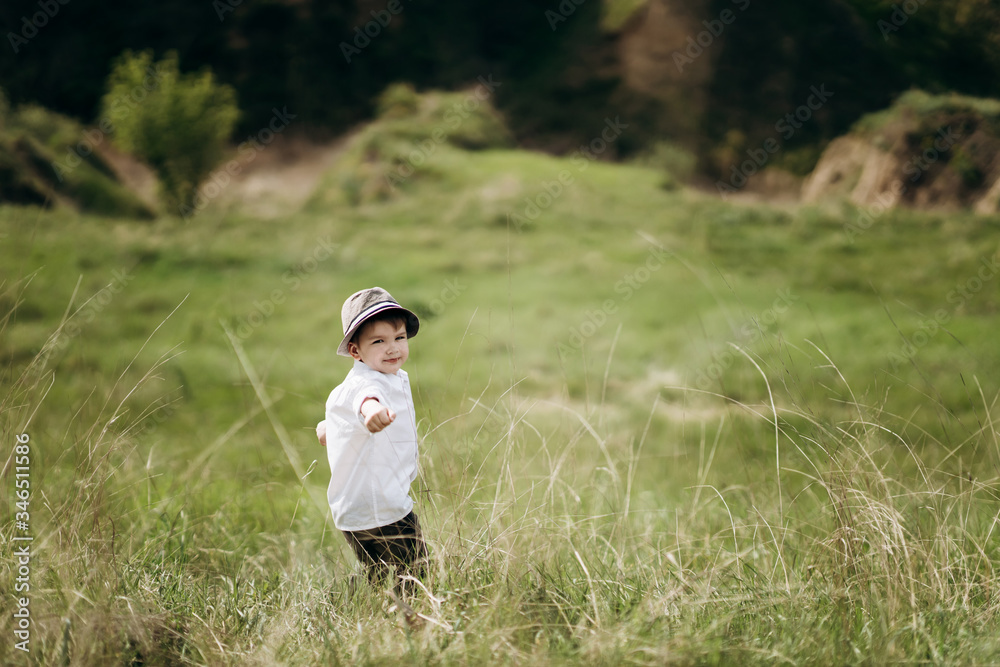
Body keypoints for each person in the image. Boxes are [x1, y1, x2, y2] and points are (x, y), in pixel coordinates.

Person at [315, 286, 427, 594]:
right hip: (383, 507)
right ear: (355, 351)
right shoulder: (368, 383)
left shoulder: (376, 378)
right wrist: (372, 411)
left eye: (399, 338)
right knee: (416, 572)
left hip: (354, 512)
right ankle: (411, 613)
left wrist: (329, 428)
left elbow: (343, 410)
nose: (392, 348)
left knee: (377, 574)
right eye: (378, 341)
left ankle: (360, 604)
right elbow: (365, 398)